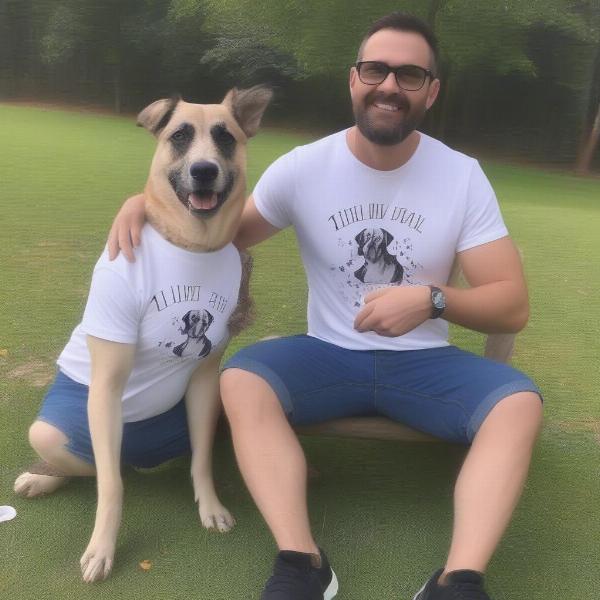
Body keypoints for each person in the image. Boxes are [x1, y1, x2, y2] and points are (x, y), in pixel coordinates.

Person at [109, 13, 542, 600]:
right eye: (376, 69)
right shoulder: (305, 167)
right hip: (326, 357)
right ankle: (302, 562)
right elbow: (220, 229)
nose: (389, 85)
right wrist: (142, 203)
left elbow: (510, 304)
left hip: (423, 366)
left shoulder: (461, 177)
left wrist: (432, 299)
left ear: (431, 90)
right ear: (354, 80)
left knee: (518, 405)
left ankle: (458, 581)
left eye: (410, 74)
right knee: (242, 380)